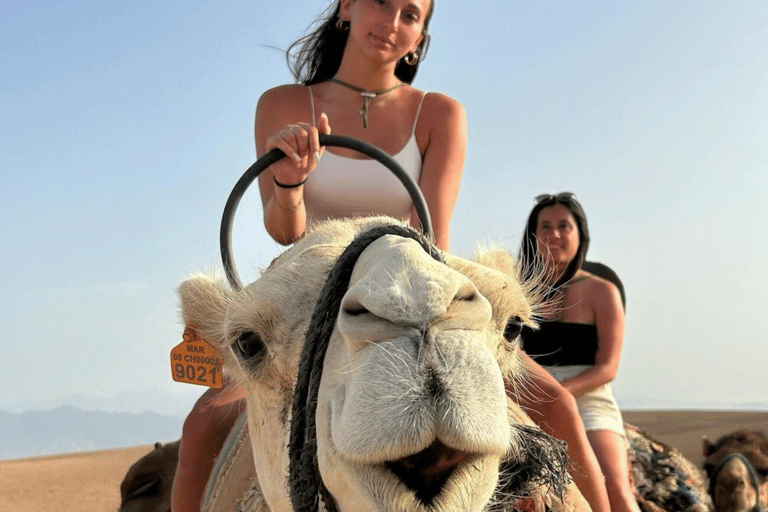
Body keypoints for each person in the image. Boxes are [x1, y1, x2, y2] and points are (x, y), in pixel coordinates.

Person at [173, 1, 465, 510]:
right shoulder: (284, 104)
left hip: (403, 293)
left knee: (552, 403)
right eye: (379, 2)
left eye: (410, 14)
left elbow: (433, 236)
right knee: (203, 423)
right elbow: (285, 230)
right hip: (305, 299)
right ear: (347, 8)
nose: (392, 23)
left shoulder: (439, 114)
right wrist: (290, 185)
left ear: (420, 37)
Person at [518, 192, 641, 512]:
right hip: (527, 397)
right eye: (545, 226)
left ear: (580, 234)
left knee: (613, 486)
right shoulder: (513, 291)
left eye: (564, 226)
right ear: (533, 235)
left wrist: (558, 394)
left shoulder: (602, 291)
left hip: (588, 397)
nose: (554, 235)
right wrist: (538, 394)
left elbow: (607, 367)